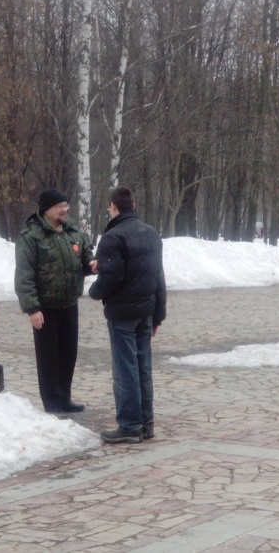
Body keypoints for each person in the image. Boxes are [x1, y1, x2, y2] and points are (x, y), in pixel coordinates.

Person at [89, 187, 167, 443]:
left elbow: (112, 276)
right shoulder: (151, 233)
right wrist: (159, 314)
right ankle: (146, 423)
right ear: (133, 204)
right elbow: (158, 277)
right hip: (146, 310)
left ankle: (130, 425)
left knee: (125, 370)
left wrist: (93, 291)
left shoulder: (112, 237)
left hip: (123, 313)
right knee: (143, 367)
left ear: (113, 207)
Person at [14, 189, 94, 414]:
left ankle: (64, 398)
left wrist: (94, 264)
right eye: (60, 206)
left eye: (66, 206)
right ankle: (51, 403)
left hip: (69, 304)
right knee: (48, 357)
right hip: (45, 308)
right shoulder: (31, 237)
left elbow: (86, 258)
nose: (65, 210)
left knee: (68, 354)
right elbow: (24, 275)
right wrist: (32, 308)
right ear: (47, 209)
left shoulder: (73, 232)